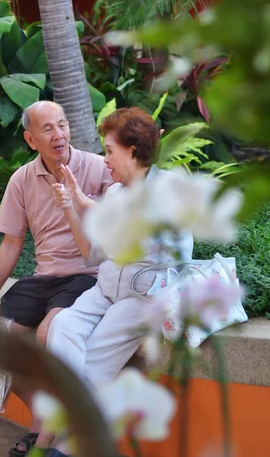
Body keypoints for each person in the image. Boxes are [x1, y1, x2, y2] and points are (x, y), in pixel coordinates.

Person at [0, 100, 111, 456]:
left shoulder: (97, 167)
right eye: (48, 129)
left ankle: (44, 439)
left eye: (62, 125)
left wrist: (77, 200)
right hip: (44, 277)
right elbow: (12, 244)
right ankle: (40, 416)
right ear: (30, 139)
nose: (59, 135)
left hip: (86, 274)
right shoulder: (21, 179)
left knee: (48, 333)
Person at [47, 107, 194, 389]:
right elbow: (95, 256)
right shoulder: (115, 192)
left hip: (142, 298)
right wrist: (71, 207)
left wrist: (88, 205)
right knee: (62, 324)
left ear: (133, 151)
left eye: (110, 151)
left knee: (91, 365)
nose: (105, 160)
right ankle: (66, 414)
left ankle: (65, 428)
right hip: (106, 290)